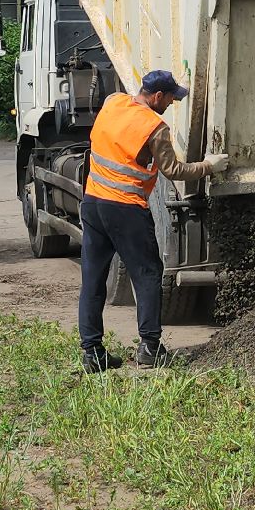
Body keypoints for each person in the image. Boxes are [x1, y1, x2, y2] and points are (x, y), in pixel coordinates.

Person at [78, 69, 229, 372]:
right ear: (158, 97)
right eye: (172, 98)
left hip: (93, 203)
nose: (173, 103)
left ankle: (92, 353)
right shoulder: (154, 127)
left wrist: (184, 80)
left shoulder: (113, 102)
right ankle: (149, 347)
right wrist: (209, 167)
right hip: (125, 210)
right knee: (147, 275)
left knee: (93, 280)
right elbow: (173, 170)